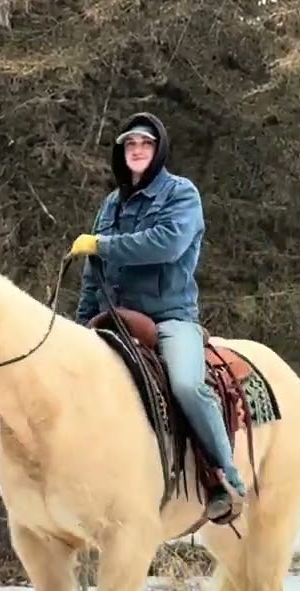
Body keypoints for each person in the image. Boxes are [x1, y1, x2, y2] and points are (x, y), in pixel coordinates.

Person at [69, 111, 246, 524]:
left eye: (145, 144)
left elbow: (166, 244)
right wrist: (80, 325)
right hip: (113, 319)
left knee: (186, 385)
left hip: (169, 318)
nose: (137, 150)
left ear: (158, 149)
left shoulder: (181, 194)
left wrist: (102, 244)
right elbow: (94, 275)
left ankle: (226, 478)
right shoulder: (111, 204)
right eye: (130, 144)